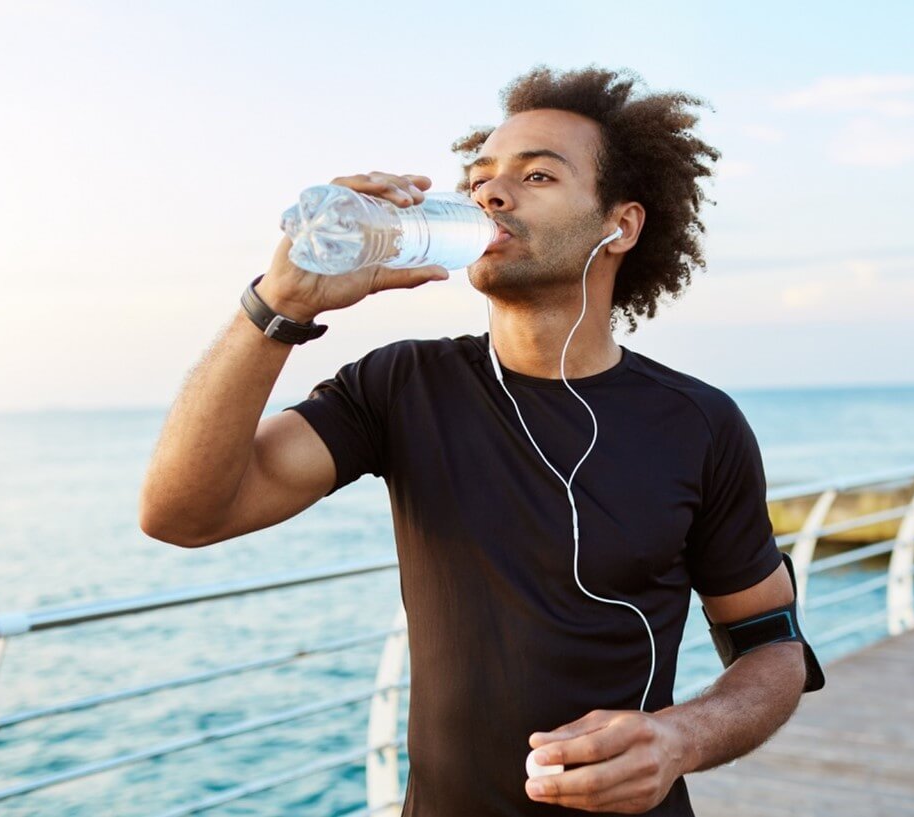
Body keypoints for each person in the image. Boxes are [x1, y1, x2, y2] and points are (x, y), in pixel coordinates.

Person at [140, 65, 821, 816]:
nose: (493, 195)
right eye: (481, 178)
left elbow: (771, 645)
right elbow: (182, 512)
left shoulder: (699, 423)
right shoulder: (401, 386)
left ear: (619, 225)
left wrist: (680, 738)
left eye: (536, 175)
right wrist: (279, 306)